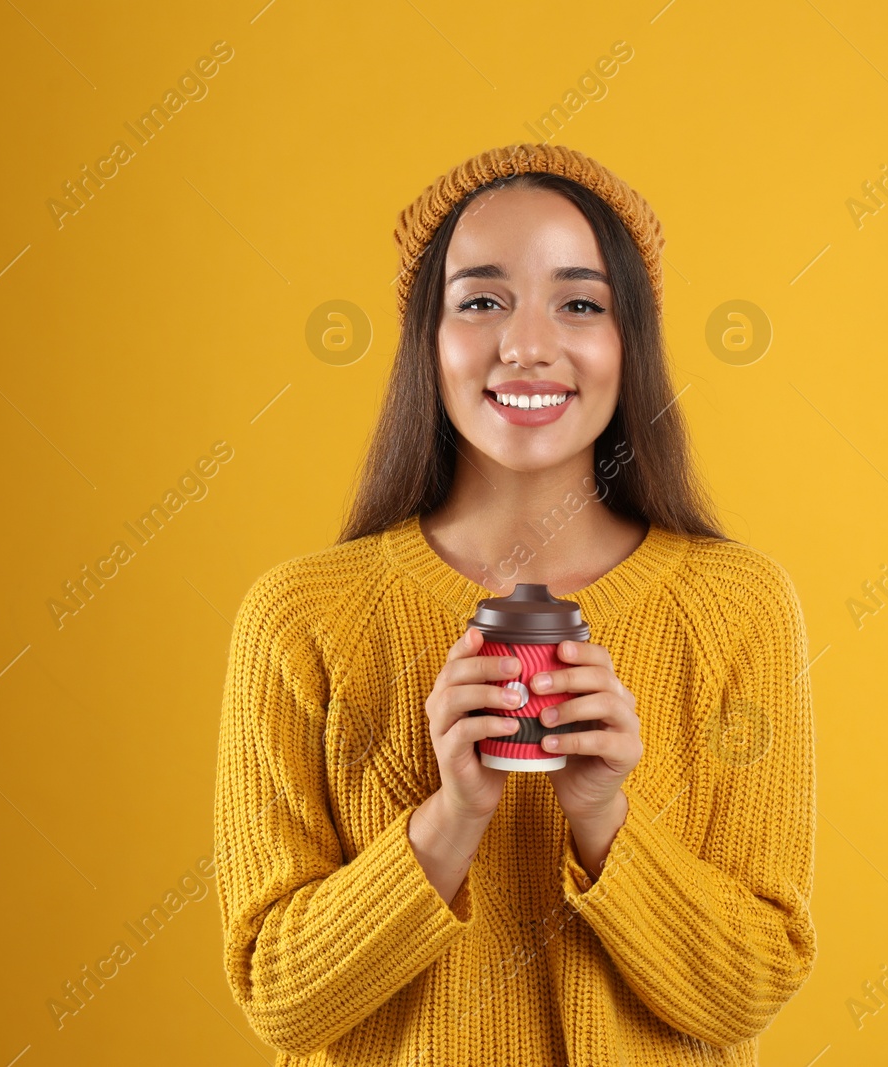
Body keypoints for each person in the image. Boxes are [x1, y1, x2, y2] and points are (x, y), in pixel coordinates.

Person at [212, 142, 817, 1065]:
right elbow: (280, 1000)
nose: (527, 344)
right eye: (482, 300)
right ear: (430, 338)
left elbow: (747, 990)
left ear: (631, 344)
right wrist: (448, 817)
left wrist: (607, 816)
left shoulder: (739, 607)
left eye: (580, 302)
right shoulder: (301, 617)